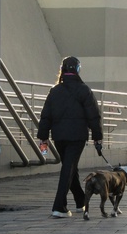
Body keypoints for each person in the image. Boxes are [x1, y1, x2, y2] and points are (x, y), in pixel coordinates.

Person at [37, 56, 103, 218]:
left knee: (70, 166)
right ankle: (59, 206)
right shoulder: (84, 90)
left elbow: (46, 116)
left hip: (59, 136)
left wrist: (43, 136)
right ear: (78, 70)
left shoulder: (55, 91)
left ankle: (80, 201)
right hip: (77, 136)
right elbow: (93, 115)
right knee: (68, 168)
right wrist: (97, 136)